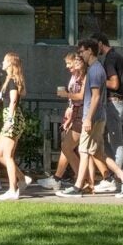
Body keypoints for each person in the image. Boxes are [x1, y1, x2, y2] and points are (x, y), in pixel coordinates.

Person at [56, 38, 123, 199]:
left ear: (90, 51)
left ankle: (78, 187)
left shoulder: (94, 70)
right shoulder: (96, 69)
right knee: (98, 153)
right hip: (97, 117)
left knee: (83, 150)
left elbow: (95, 97)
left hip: (93, 118)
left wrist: (87, 119)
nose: (79, 54)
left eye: (81, 51)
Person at [38, 52, 89, 192]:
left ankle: (84, 180)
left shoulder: (85, 76)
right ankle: (60, 178)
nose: (67, 66)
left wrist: (67, 95)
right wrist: (69, 107)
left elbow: (82, 96)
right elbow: (74, 98)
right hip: (75, 114)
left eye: (69, 63)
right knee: (67, 147)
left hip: (82, 115)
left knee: (75, 148)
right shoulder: (75, 76)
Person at [0, 52, 30, 200]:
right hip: (9, 116)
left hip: (11, 118)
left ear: (11, 63)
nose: (3, 62)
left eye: (5, 60)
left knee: (7, 156)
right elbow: (7, 99)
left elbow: (13, 101)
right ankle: (22, 178)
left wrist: (9, 119)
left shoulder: (13, 80)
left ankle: (13, 190)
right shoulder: (9, 80)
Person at [93, 32, 123, 177]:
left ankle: (118, 178)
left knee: (116, 143)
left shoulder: (109, 60)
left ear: (101, 44)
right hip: (118, 102)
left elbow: (114, 84)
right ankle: (122, 170)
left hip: (113, 102)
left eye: (95, 46)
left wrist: (98, 80)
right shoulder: (117, 57)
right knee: (101, 138)